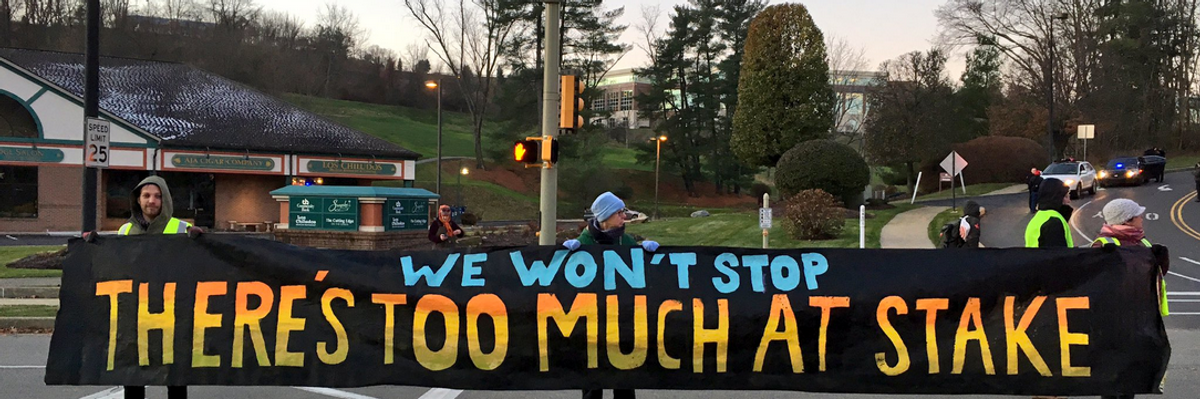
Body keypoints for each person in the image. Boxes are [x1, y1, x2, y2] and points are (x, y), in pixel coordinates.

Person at [563, 192, 659, 399]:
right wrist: (564, 257)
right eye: (619, 213)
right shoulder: (584, 242)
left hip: (621, 319)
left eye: (623, 212)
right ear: (604, 218)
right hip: (591, 320)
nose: (624, 217)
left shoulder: (625, 240)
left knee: (623, 377)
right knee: (593, 376)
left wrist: (648, 253)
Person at [115, 176, 199, 399]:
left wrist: (201, 241)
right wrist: (92, 246)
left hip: (172, 313)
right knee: (133, 374)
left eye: (157, 196)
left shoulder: (183, 229)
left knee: (175, 376)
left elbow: (199, 267)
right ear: (138, 199)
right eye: (146, 196)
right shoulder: (124, 231)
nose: (151, 201)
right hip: (136, 313)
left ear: (165, 200)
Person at [1090, 199, 1171, 399]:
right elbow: (1096, 283)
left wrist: (1161, 261)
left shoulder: (1141, 241)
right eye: (1138, 215)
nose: (1142, 218)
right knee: (1113, 373)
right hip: (1114, 319)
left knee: (1132, 371)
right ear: (1127, 220)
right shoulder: (1104, 245)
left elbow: (1152, 276)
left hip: (1140, 315)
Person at [1025, 178, 1074, 248]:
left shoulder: (1040, 217)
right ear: (1056, 198)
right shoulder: (1053, 223)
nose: (1069, 201)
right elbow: (1059, 256)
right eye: (1066, 196)